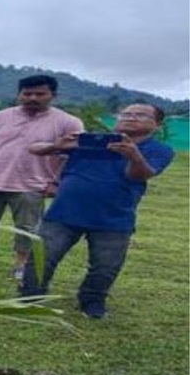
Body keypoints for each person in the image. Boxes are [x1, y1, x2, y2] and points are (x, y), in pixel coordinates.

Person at [19, 103, 174, 319]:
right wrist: (57, 145)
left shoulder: (159, 150)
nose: (130, 118)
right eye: (126, 114)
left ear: (157, 125)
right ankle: (30, 296)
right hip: (64, 212)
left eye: (140, 115)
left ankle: (92, 301)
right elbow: (34, 149)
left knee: (105, 266)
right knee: (43, 256)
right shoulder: (89, 141)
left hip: (114, 218)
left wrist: (134, 156)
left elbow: (138, 176)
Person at [0, 75, 84, 280]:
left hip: (32, 184)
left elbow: (74, 156)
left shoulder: (68, 122)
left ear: (53, 95)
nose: (32, 98)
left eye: (40, 94)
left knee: (27, 228)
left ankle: (22, 265)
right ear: (19, 95)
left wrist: (57, 182)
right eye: (27, 93)